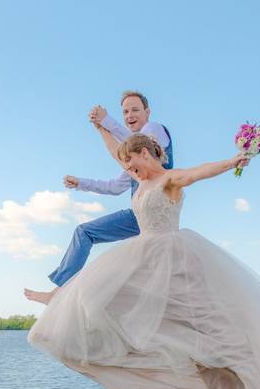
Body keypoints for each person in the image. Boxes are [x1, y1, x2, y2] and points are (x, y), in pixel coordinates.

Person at [28, 133, 260, 389]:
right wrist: (101, 127)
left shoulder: (169, 179)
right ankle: (93, 331)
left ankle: (257, 384)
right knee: (99, 299)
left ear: (146, 153)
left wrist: (232, 162)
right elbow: (117, 147)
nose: (131, 171)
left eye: (132, 164)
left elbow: (200, 172)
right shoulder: (140, 184)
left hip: (174, 259)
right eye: (127, 168)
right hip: (143, 259)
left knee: (210, 326)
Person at [23, 90, 173, 305]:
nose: (129, 115)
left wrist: (107, 122)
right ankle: (58, 293)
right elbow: (114, 187)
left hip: (157, 212)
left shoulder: (154, 129)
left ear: (147, 112)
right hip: (138, 215)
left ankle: (59, 294)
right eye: (125, 112)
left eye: (135, 110)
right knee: (84, 232)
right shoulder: (133, 161)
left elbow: (139, 145)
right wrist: (81, 183)